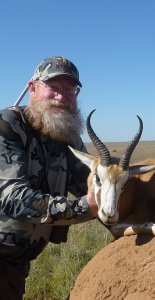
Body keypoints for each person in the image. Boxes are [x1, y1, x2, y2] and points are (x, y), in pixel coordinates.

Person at [0, 56, 98, 299]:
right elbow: (13, 198)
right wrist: (86, 208)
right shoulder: (7, 126)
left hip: (14, 266)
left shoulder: (68, 138)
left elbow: (92, 185)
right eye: (53, 87)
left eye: (69, 89)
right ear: (32, 88)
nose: (61, 96)